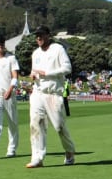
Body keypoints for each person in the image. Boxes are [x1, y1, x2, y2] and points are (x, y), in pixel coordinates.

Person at [27, 26, 76, 168]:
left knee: (59, 126)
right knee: (36, 124)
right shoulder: (35, 53)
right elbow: (34, 71)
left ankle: (69, 151)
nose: (38, 38)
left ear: (48, 35)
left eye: (41, 35)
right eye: (37, 36)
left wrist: (46, 73)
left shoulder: (58, 49)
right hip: (38, 92)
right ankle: (37, 157)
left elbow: (67, 68)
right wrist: (33, 75)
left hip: (53, 93)